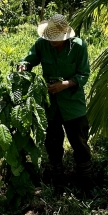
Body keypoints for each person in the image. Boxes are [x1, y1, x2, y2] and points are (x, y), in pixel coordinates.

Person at [19, 14, 94, 192]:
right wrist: (23, 66)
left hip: (73, 104)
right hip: (50, 104)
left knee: (79, 141)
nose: (53, 41)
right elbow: (28, 60)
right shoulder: (41, 44)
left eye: (57, 38)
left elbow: (84, 74)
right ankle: (57, 180)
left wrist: (65, 85)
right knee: (52, 142)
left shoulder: (78, 47)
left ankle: (87, 182)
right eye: (50, 37)